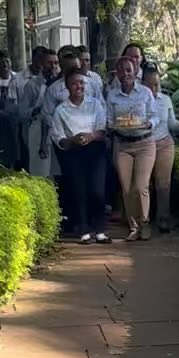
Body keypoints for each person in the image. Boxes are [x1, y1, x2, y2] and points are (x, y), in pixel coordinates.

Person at [50, 69, 110, 242]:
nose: (79, 86)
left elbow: (103, 129)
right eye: (75, 83)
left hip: (95, 150)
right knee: (79, 191)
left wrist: (91, 136)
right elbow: (58, 138)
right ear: (67, 87)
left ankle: (99, 230)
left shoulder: (95, 104)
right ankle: (83, 229)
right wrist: (73, 140)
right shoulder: (61, 110)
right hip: (74, 152)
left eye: (82, 83)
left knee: (97, 190)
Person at [142, 64, 179, 231]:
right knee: (143, 185)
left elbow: (172, 124)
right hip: (144, 145)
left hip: (164, 144)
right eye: (149, 84)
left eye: (156, 84)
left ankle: (163, 219)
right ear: (142, 83)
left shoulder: (165, 100)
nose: (153, 88)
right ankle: (141, 219)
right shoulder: (138, 99)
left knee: (163, 184)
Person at [106, 55, 156, 239]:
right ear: (116, 73)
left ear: (135, 71)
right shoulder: (112, 95)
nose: (125, 74)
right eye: (121, 70)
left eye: (129, 70)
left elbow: (154, 116)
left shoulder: (145, 92)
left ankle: (145, 222)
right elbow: (109, 119)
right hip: (122, 144)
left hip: (144, 143)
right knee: (126, 188)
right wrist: (111, 126)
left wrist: (149, 124)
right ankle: (133, 227)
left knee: (141, 186)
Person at [23, 50, 60, 177]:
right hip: (38, 131)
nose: (53, 67)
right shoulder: (31, 85)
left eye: (56, 63)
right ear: (41, 64)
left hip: (57, 131)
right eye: (49, 63)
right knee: (41, 174)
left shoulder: (60, 85)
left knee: (57, 174)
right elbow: (23, 112)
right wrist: (39, 109)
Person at [0, 49, 23, 170]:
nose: (5, 65)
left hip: (17, 125)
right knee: (1, 160)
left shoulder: (18, 80)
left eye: (7, 61)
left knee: (19, 157)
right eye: (1, 62)